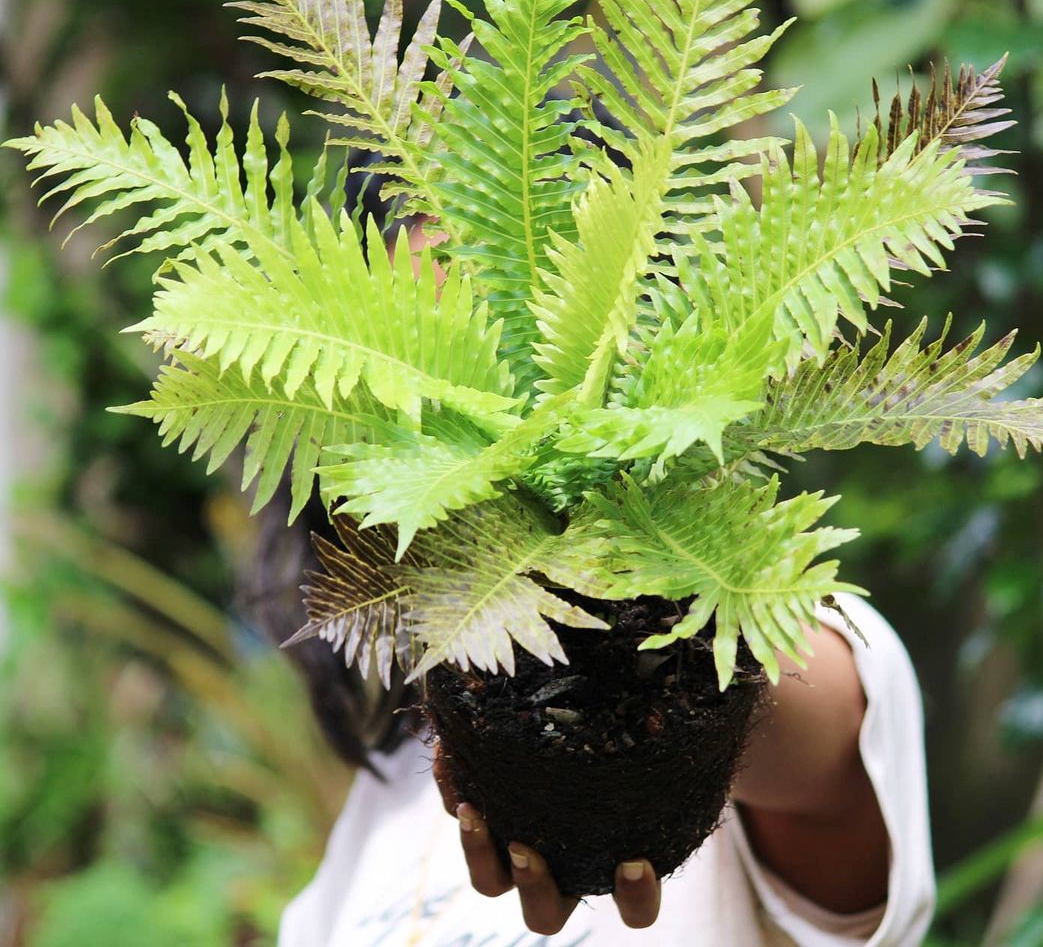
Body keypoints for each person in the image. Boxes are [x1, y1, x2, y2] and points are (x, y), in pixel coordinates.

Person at [244, 174, 934, 946]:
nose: (470, 420)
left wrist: (629, 670)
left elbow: (826, 738)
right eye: (414, 377)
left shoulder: (755, 623)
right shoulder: (367, 838)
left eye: (491, 337)